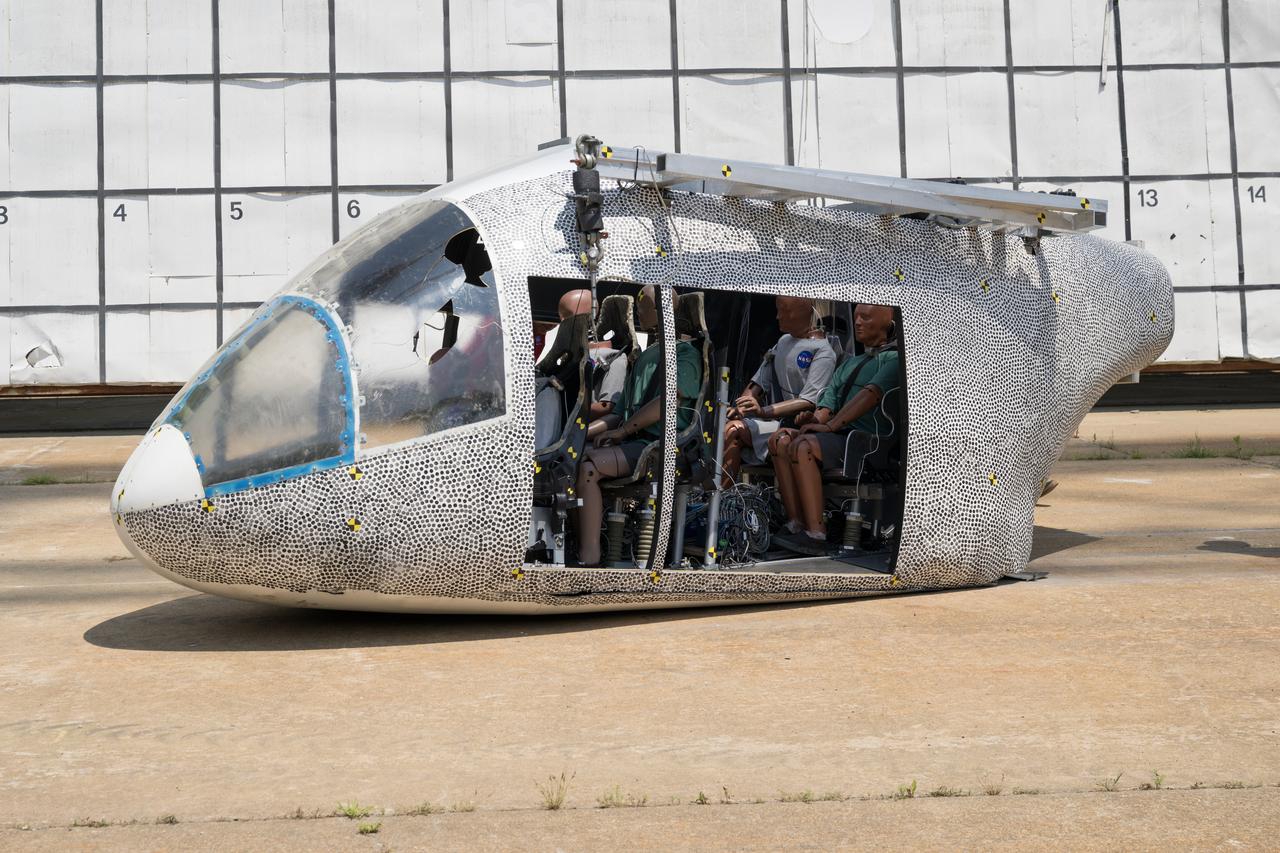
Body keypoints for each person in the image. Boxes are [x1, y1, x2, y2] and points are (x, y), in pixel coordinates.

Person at [574, 286, 703, 566]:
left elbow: (665, 403)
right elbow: (618, 415)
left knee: (587, 468)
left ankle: (590, 558)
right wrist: (577, 434)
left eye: (643, 305)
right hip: (633, 441)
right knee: (568, 459)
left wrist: (622, 432)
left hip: (660, 447)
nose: (638, 311)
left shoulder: (686, 355)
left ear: (661, 312)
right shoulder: (646, 356)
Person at [772, 303, 899, 555]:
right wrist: (814, 419)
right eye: (856, 317)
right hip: (839, 436)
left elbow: (870, 395)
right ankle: (796, 524)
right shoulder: (849, 364)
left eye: (866, 317)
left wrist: (830, 426)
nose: (858, 322)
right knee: (780, 439)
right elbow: (827, 402)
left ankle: (816, 534)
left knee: (803, 446)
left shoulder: (894, 360)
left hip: (868, 443)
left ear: (888, 322)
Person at [721, 296, 836, 488]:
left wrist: (763, 411)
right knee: (731, 429)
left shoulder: (824, 352)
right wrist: (742, 406)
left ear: (800, 313)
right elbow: (759, 381)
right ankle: (722, 497)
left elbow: (809, 400)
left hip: (802, 427)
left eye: (784, 311)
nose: (777, 316)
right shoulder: (782, 342)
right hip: (776, 423)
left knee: (754, 434)